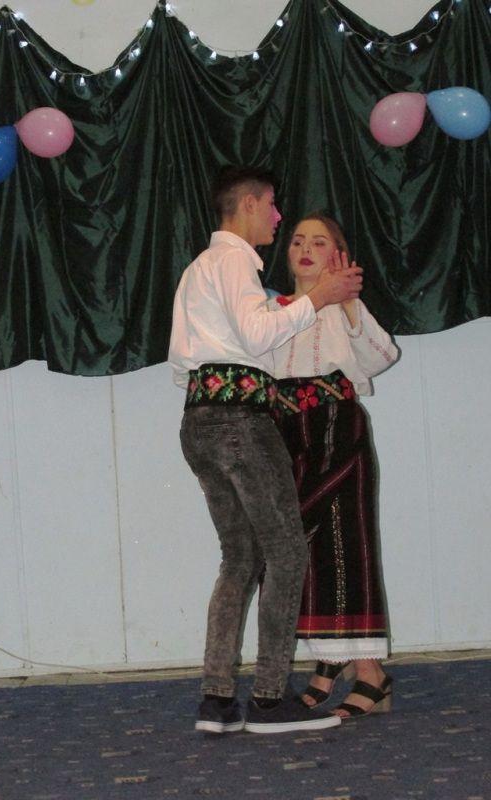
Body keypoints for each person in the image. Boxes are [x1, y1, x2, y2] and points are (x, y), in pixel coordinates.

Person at [168, 167, 363, 734]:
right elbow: (256, 337)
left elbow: (183, 362)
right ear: (250, 204)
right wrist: (319, 298)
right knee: (286, 552)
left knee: (239, 557)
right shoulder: (234, 262)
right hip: (240, 423)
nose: (278, 216)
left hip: (199, 419)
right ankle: (270, 700)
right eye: (273, 205)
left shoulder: (198, 270)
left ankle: (217, 700)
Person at [270, 213, 398, 718]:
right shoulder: (272, 310)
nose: (305, 249)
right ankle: (327, 664)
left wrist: (346, 303)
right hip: (286, 431)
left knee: (347, 543)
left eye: (319, 242)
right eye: (298, 241)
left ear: (338, 255)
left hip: (336, 425)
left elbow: (382, 356)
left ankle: (371, 674)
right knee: (304, 549)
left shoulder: (346, 309)